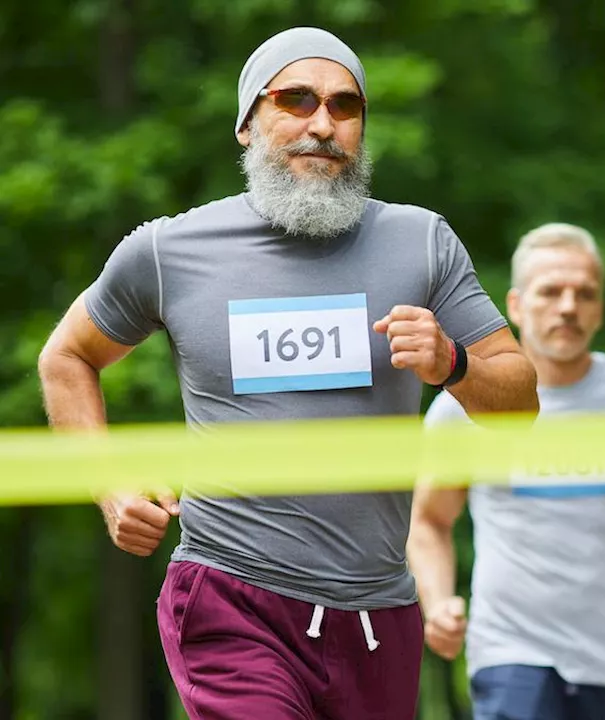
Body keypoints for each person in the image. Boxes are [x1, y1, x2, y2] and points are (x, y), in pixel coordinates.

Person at [36, 26, 538, 720]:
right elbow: (66, 357)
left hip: (378, 613)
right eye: (295, 100)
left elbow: (522, 401)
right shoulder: (168, 250)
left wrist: (452, 361)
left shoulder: (421, 241)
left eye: (344, 106)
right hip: (232, 597)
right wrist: (108, 486)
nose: (322, 124)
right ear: (247, 123)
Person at [409, 222, 605, 720]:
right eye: (551, 292)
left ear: (599, 309)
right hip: (510, 656)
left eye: (584, 294)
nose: (567, 307)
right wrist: (438, 604)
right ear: (515, 306)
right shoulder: (464, 406)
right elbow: (429, 522)